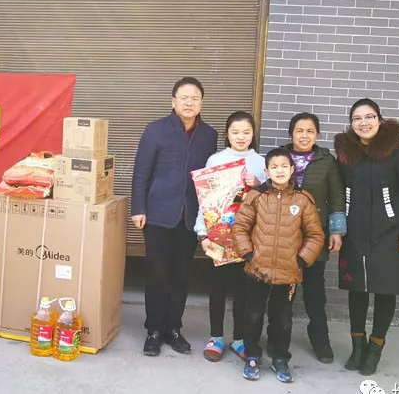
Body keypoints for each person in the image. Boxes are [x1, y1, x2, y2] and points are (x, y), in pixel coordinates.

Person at [131, 77, 218, 357]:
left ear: (201, 103)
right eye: (184, 98)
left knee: (181, 276)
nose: (189, 103)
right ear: (173, 101)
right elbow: (141, 171)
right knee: (158, 275)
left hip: (191, 217)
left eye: (195, 98)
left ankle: (174, 329)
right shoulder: (155, 130)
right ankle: (154, 330)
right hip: (158, 214)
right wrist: (138, 208)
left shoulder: (209, 135)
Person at [334, 98, 399, 376]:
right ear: (351, 124)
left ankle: (375, 347)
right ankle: (357, 346)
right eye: (357, 118)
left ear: (380, 120)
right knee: (357, 289)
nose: (364, 123)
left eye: (369, 116)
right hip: (355, 232)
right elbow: (337, 191)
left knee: (385, 289)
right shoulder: (346, 153)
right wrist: (338, 228)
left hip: (391, 234)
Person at [232, 148, 325, 383]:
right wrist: (248, 253)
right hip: (257, 269)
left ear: (292, 169)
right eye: (274, 167)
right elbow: (240, 227)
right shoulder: (256, 197)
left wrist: (301, 260)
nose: (279, 171)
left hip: (289, 272)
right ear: (267, 171)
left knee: (282, 319)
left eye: (284, 166)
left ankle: (280, 357)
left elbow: (315, 235)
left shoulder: (303, 199)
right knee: (253, 315)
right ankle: (252, 356)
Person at [194, 111, 267, 363]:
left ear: (253, 134)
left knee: (243, 290)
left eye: (246, 132)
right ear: (227, 134)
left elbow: (271, 200)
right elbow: (204, 200)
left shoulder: (261, 163)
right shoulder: (216, 159)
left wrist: (259, 184)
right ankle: (215, 337)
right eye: (235, 132)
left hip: (249, 239)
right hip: (218, 237)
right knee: (218, 288)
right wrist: (202, 233)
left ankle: (239, 338)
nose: (241, 137)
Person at [280, 112, 346, 363]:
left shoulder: (326, 161)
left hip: (314, 236)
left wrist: (337, 230)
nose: (304, 135)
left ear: (317, 134)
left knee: (315, 291)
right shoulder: (279, 157)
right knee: (282, 291)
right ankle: (278, 340)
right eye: (299, 130)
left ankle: (320, 341)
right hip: (283, 235)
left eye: (310, 131)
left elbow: (337, 196)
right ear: (291, 133)